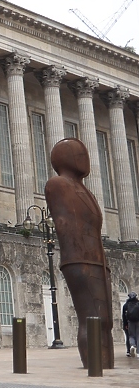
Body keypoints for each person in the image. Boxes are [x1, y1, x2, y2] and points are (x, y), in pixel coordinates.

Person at [45, 138, 114, 369]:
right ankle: (95, 365)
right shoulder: (58, 184)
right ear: (64, 158)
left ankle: (104, 363)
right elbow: (64, 223)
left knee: (104, 320)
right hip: (79, 258)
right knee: (92, 318)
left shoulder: (83, 189)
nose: (85, 159)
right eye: (80, 155)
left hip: (95, 259)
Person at [122, 291, 139, 357]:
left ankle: (132, 346)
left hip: (130, 322)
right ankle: (138, 353)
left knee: (131, 335)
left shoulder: (126, 305)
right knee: (138, 336)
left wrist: (125, 324)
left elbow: (124, 316)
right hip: (138, 322)